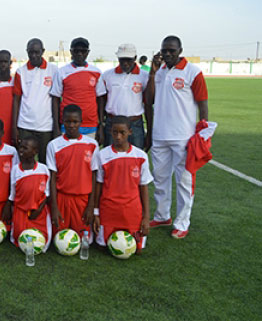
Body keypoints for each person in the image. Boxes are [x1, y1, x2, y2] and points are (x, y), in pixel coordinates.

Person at [145, 36, 209, 239]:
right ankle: (162, 215)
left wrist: (203, 129)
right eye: (165, 50)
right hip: (160, 134)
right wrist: (154, 71)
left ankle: (182, 222)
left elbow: (203, 102)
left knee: (184, 180)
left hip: (183, 136)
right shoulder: (161, 71)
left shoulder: (193, 71)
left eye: (172, 50)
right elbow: (151, 98)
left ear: (180, 50)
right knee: (161, 178)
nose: (168, 54)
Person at [93, 116, 152, 251]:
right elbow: (98, 185)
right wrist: (96, 213)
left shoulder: (141, 156)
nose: (118, 136)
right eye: (115, 132)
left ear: (130, 132)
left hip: (132, 211)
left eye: (122, 132)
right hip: (109, 210)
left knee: (137, 250)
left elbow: (144, 188)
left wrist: (146, 217)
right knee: (102, 248)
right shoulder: (102, 155)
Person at [46, 105, 99, 238]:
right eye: (68, 122)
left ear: (81, 122)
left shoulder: (92, 144)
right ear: (62, 121)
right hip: (62, 198)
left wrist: (91, 205)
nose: (71, 125)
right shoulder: (54, 145)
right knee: (59, 238)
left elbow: (94, 176)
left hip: (83, 200)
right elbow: (52, 177)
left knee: (83, 240)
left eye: (75, 122)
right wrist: (54, 207)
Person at [50, 37, 105, 142]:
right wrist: (56, 126)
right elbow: (55, 99)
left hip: (90, 124)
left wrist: (101, 125)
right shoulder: (61, 72)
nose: (79, 54)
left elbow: (101, 99)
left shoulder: (96, 72)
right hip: (67, 124)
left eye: (83, 51)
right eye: (76, 51)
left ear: (88, 52)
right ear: (71, 52)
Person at [12, 38, 57, 163]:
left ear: (43, 51)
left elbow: (55, 100)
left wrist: (56, 127)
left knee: (45, 160)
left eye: (37, 52)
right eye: (30, 52)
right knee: (24, 159)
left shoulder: (53, 70)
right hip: (25, 125)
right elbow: (16, 99)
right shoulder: (21, 72)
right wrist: (14, 127)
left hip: (46, 126)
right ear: (27, 52)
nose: (34, 55)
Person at [3, 136, 52, 252]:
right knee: (18, 238)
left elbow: (47, 193)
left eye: (25, 148)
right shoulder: (15, 170)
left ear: (35, 151)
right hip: (21, 211)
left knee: (42, 238)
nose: (21, 150)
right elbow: (13, 193)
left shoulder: (43, 169)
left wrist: (39, 209)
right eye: (20, 147)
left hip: (38, 211)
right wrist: (8, 206)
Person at [97, 44, 150, 149]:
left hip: (134, 124)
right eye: (122, 59)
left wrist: (149, 130)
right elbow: (101, 100)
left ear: (135, 58)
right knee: (111, 156)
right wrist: (101, 125)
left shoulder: (144, 76)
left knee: (136, 158)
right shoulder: (107, 75)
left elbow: (148, 103)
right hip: (112, 123)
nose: (125, 63)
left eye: (128, 60)